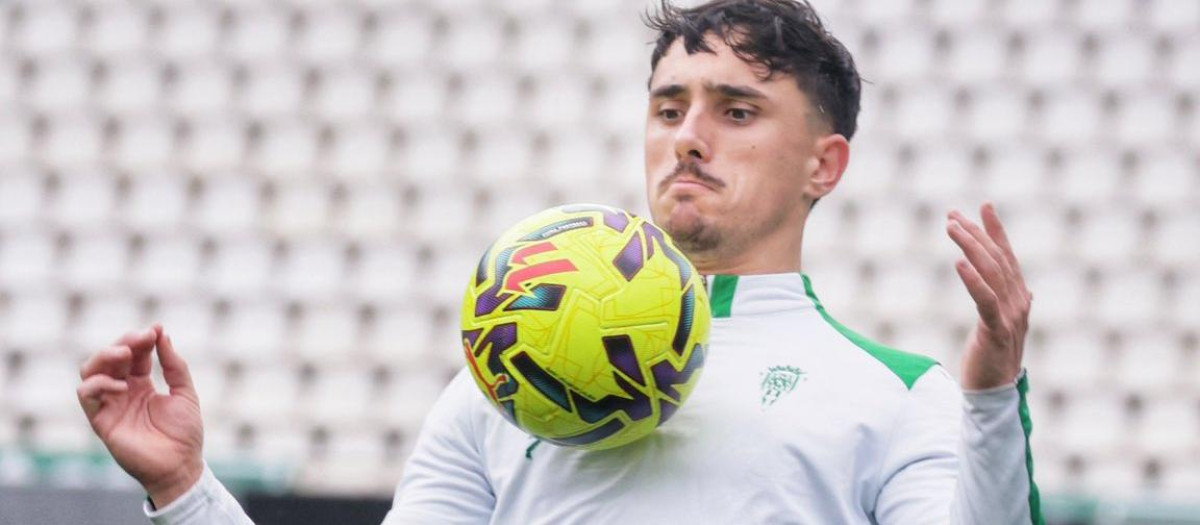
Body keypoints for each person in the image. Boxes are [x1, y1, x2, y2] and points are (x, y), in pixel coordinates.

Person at [77, 0, 1043, 523]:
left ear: (824, 164)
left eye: (737, 110)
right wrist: (187, 490)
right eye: (669, 108)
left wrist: (994, 395)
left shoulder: (901, 395)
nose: (688, 137)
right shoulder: (504, 378)